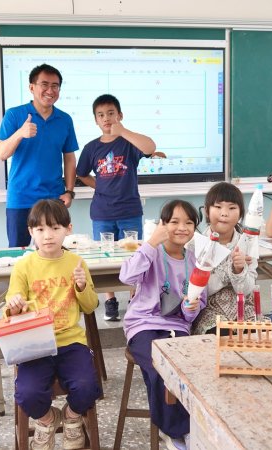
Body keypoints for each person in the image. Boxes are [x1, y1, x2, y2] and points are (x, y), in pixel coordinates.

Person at [5, 199, 102, 450]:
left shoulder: (76, 263)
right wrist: (15, 305)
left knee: (88, 386)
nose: (48, 235)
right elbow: (12, 308)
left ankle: (71, 417)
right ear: (31, 232)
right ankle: (47, 420)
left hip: (71, 341)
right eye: (40, 229)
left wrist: (81, 286)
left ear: (68, 229)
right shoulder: (24, 266)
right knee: (27, 393)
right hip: (35, 344)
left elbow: (90, 306)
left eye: (55, 228)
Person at [119, 200, 207, 450]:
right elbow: (126, 276)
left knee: (187, 368)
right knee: (159, 366)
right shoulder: (152, 252)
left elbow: (196, 305)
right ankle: (174, 430)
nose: (182, 228)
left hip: (177, 326)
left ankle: (186, 428)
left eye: (188, 223)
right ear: (162, 224)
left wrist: (191, 307)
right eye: (174, 222)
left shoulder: (195, 261)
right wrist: (151, 243)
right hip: (143, 325)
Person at [76, 94, 157, 322]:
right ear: (95, 120)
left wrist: (123, 131)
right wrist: (100, 186)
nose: (106, 118)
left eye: (111, 113)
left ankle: (133, 298)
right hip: (102, 212)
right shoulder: (91, 148)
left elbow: (151, 147)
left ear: (119, 115)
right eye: (101, 115)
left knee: (134, 257)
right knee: (104, 256)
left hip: (130, 210)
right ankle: (110, 300)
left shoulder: (129, 143)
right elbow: (81, 173)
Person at [0, 64, 78, 247]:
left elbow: (69, 157)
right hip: (21, 197)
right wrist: (20, 133)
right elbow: (1, 154)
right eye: (44, 85)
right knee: (18, 252)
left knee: (54, 250)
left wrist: (69, 191)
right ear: (31, 87)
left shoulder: (65, 119)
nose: (50, 90)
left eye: (55, 86)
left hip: (53, 198)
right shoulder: (14, 115)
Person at [191, 182, 257, 335]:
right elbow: (198, 291)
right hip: (209, 309)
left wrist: (239, 270)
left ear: (241, 213)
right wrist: (229, 269)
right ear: (207, 211)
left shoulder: (247, 244)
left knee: (259, 337)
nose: (225, 213)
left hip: (244, 308)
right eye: (218, 207)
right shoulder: (196, 244)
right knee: (222, 337)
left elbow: (247, 290)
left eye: (232, 208)